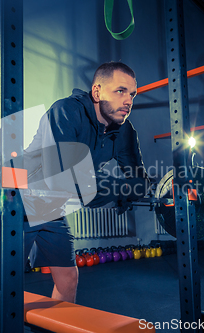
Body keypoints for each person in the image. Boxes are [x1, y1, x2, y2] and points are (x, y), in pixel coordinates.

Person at [22, 62, 150, 303]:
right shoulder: (65, 112)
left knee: (69, 278)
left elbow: (138, 181)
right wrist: (124, 191)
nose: (129, 101)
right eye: (120, 91)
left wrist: (150, 190)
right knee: (7, 279)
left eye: (132, 94)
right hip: (19, 201)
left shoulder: (124, 131)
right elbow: (65, 178)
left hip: (51, 209)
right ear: (97, 92)